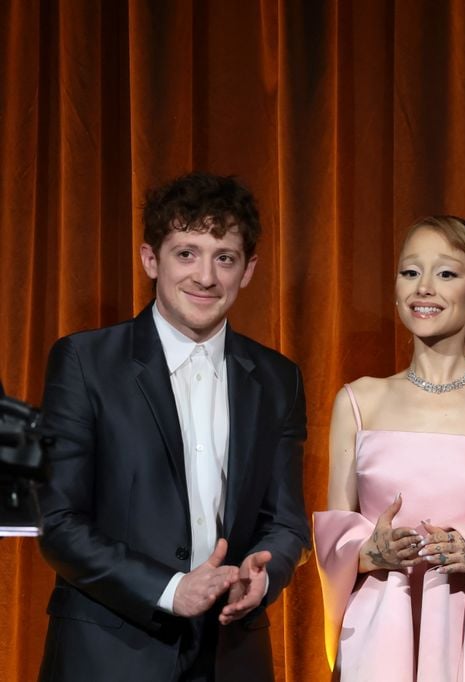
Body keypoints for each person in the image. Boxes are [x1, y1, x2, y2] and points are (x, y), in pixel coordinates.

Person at [37, 173, 310, 681]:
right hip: (110, 655)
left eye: (224, 257)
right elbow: (59, 522)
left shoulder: (278, 379)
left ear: (248, 270)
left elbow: (287, 521)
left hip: (231, 656)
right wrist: (170, 589)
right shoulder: (85, 361)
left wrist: (263, 576)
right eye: (187, 253)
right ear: (149, 260)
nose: (205, 276)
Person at [313, 215, 465, 681]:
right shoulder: (359, 401)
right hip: (383, 630)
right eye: (410, 272)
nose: (424, 287)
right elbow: (333, 539)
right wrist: (369, 551)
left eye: (446, 273)